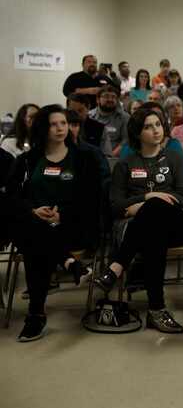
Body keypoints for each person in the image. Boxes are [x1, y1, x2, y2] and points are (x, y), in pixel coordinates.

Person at [5, 105, 103, 342]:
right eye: (53, 124)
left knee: (34, 243)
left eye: (63, 123)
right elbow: (11, 196)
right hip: (33, 222)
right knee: (32, 230)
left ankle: (36, 314)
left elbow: (93, 200)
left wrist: (63, 215)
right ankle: (70, 262)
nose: (60, 128)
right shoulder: (28, 160)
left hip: (71, 226)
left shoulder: (83, 158)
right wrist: (32, 210)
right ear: (42, 128)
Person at [93, 107, 183, 334]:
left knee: (154, 209)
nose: (155, 130)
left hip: (177, 222)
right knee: (152, 237)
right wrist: (147, 197)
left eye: (158, 125)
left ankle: (116, 266)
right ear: (138, 133)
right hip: (146, 230)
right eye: (148, 126)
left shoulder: (175, 157)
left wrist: (144, 204)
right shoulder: (125, 164)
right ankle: (156, 310)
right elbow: (116, 205)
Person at [118, 102, 183, 159]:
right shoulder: (129, 148)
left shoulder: (173, 145)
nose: (157, 118)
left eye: (158, 123)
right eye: (147, 126)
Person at [89, 86, 129, 157]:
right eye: (106, 96)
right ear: (98, 99)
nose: (110, 99)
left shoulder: (124, 117)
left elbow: (125, 141)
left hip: (115, 158)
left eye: (113, 97)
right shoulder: (89, 116)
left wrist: (110, 156)